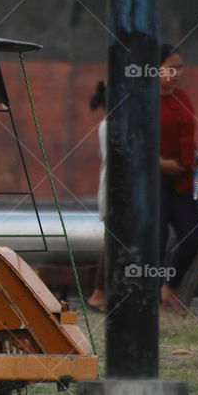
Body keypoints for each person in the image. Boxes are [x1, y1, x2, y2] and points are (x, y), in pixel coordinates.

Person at [157, 44, 198, 315]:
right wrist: (159, 162)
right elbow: (133, 141)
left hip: (182, 180)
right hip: (155, 181)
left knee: (193, 236)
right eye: (170, 68)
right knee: (156, 240)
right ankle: (152, 298)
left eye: (180, 68)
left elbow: (188, 136)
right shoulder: (144, 100)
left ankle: (169, 288)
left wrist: (196, 160)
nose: (176, 74)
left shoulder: (182, 97)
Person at [86, 81, 108, 313]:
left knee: (114, 243)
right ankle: (98, 294)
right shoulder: (110, 126)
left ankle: (101, 294)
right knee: (113, 243)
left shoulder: (108, 124)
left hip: (114, 193)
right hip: (114, 195)